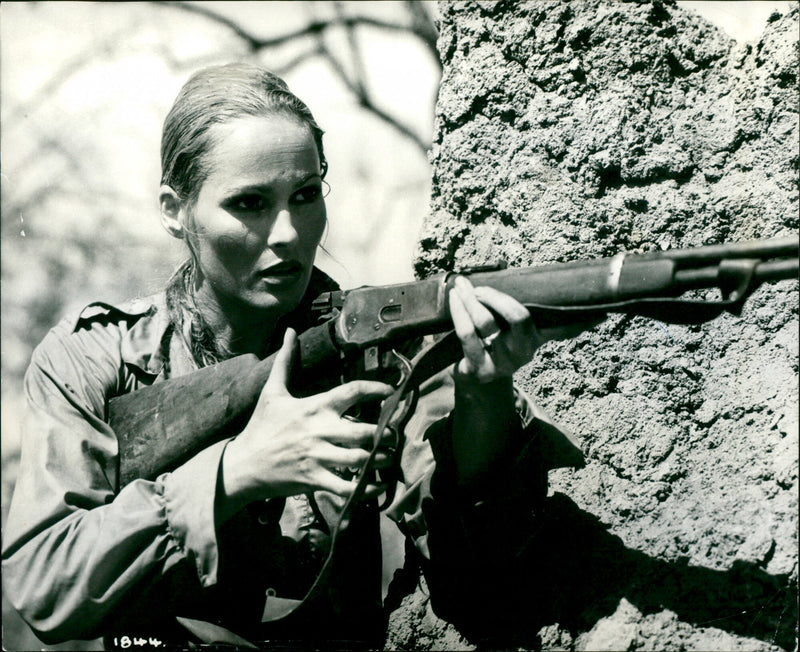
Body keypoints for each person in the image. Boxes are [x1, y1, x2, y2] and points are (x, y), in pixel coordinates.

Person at [2, 62, 584, 649]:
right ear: (175, 210)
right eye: (250, 204)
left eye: (305, 196)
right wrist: (236, 474)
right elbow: (46, 587)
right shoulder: (96, 359)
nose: (287, 232)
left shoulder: (381, 351)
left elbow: (479, 575)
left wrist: (484, 393)